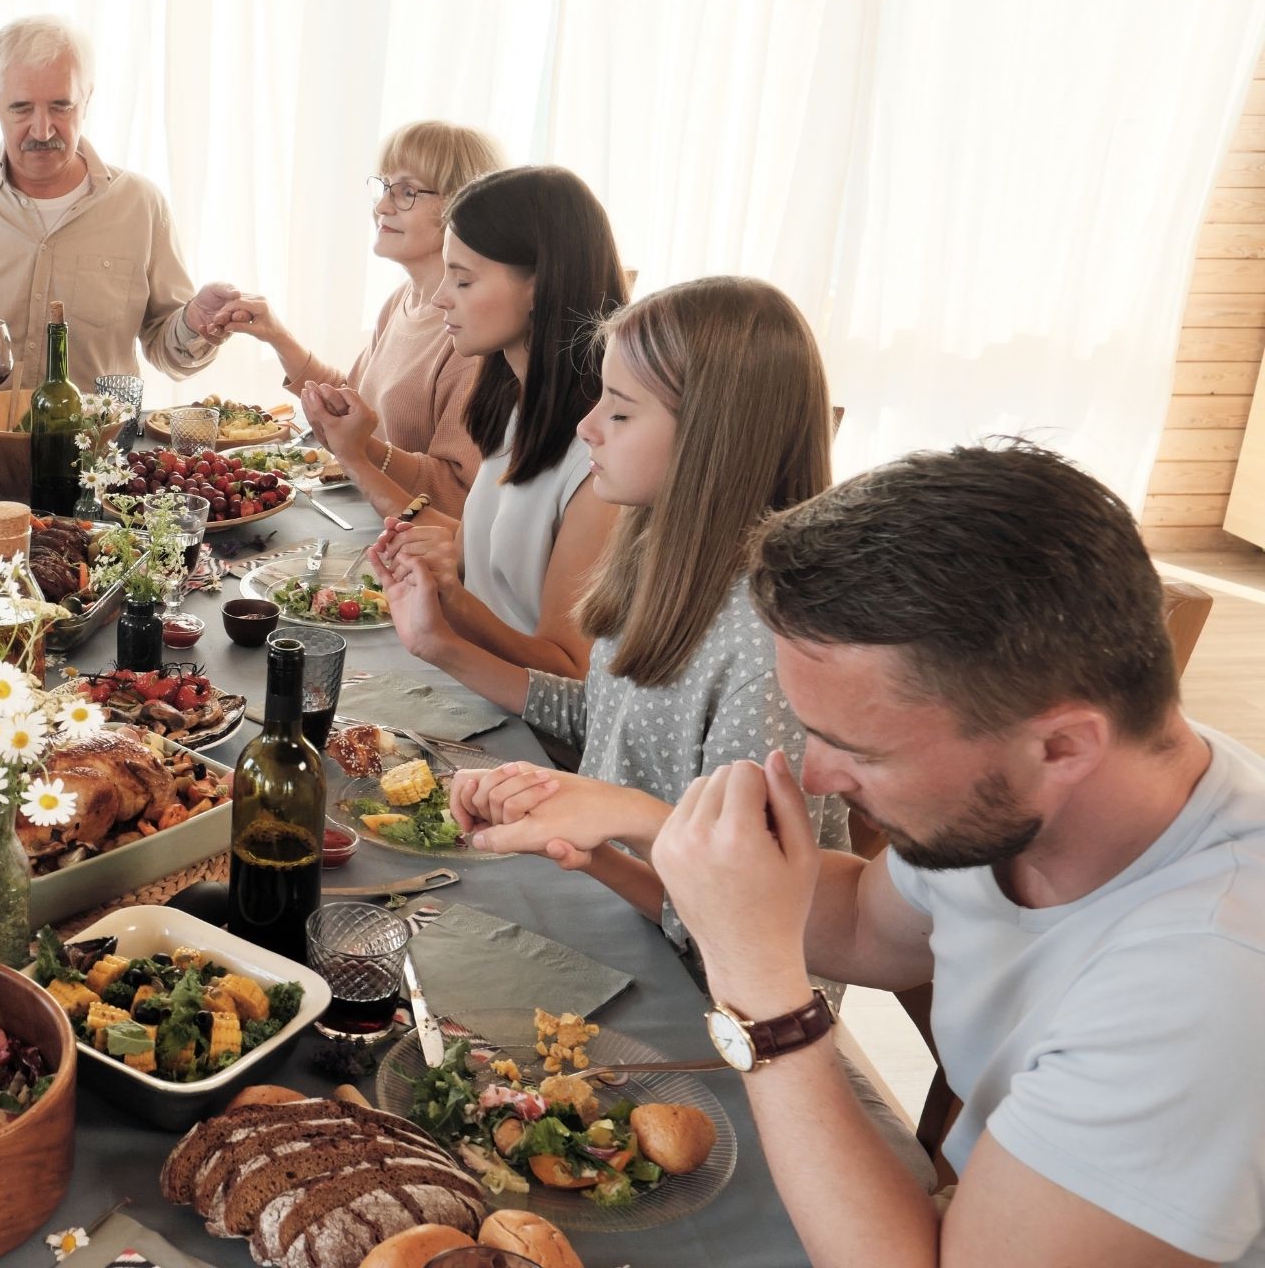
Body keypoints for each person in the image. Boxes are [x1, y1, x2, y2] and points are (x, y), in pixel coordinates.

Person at [455, 443, 1265, 1267]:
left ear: (1061, 745)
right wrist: (637, 821)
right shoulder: (1047, 791)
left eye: (861, 753)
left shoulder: (1207, 983)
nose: (814, 775)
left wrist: (763, 999)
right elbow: (866, 929)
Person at [385, 276, 850, 935]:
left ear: (711, 440)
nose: (587, 427)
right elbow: (604, 715)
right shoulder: (659, 550)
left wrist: (588, 845)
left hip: (706, 983)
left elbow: (742, 908)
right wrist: (439, 645)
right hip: (614, 898)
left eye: (621, 412)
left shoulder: (763, 651)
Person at [0, 14, 259, 388]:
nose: (42, 130)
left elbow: (168, 349)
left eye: (61, 106)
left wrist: (195, 323)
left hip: (97, 446)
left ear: (87, 99)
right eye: (20, 108)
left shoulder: (141, 205)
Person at [375, 165, 626, 677]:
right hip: (472, 675)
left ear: (540, 285)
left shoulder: (599, 450)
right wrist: (435, 550)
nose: (442, 295)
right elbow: (486, 558)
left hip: (526, 727)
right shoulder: (512, 399)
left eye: (463, 279)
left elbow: (569, 671)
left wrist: (453, 601)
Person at [219, 120, 505, 515]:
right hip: (376, 518)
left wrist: (360, 449)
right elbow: (354, 407)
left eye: (407, 192)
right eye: (385, 186)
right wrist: (278, 337)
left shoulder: (471, 336)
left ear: (462, 206)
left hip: (417, 548)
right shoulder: (401, 301)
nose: (382, 206)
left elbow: (459, 493)